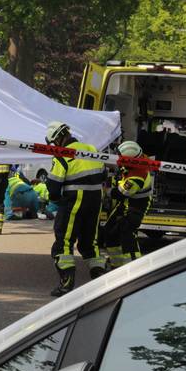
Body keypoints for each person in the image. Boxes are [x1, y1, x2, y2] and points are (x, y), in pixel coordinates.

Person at [45, 121, 106, 296]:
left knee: (64, 241)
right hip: (95, 199)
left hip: (74, 200)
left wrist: (56, 200)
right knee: (90, 242)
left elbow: (54, 186)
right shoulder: (91, 148)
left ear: (57, 139)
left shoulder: (62, 155)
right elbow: (103, 174)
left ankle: (67, 282)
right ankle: (101, 278)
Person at [102, 141, 153, 268]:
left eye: (120, 157)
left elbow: (120, 193)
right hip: (127, 202)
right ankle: (117, 264)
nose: (118, 159)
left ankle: (134, 266)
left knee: (127, 232)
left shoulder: (137, 176)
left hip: (136, 205)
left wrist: (106, 191)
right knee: (110, 230)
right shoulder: (139, 159)